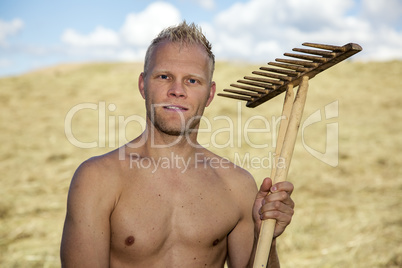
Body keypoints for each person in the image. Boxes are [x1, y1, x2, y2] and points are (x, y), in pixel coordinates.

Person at [60, 21, 294, 268]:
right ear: (143, 84)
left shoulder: (237, 187)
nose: (177, 90)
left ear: (210, 94)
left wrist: (265, 236)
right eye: (164, 76)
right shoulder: (97, 180)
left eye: (192, 81)